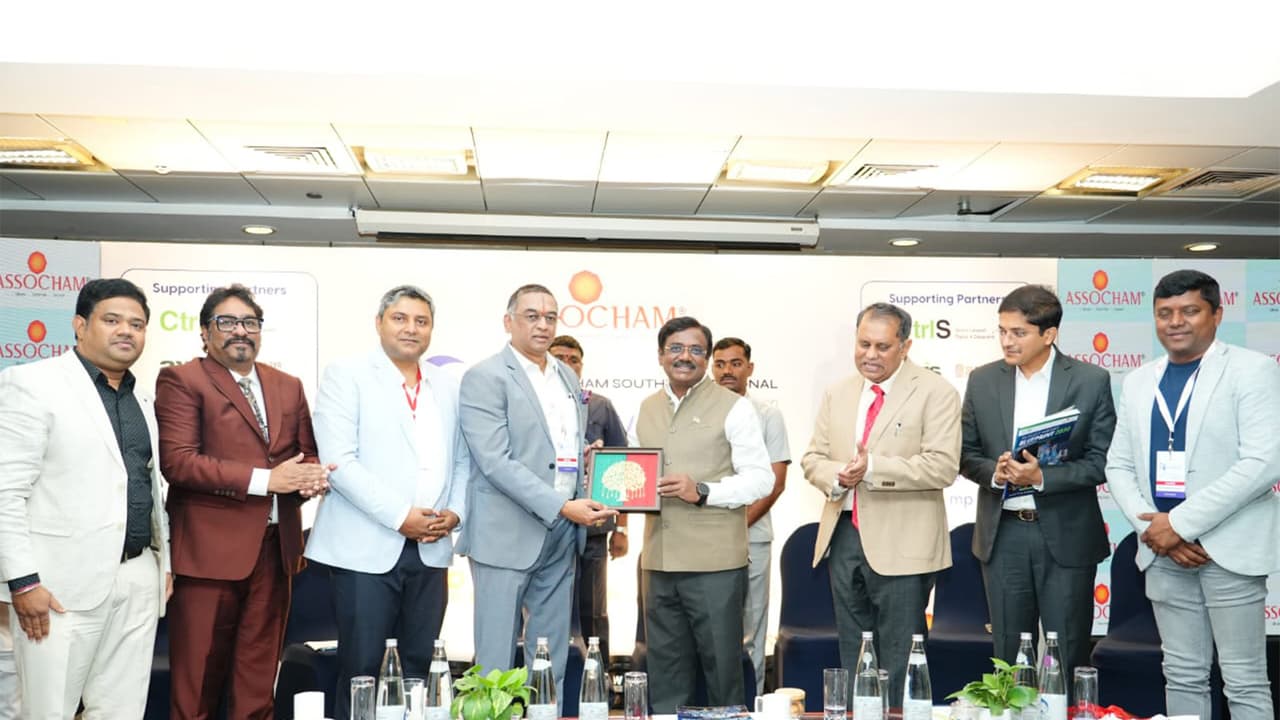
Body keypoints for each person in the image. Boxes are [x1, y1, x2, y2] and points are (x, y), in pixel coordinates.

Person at [1105, 269, 1279, 720]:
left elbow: (1262, 463)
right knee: (1181, 674)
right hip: (1163, 551)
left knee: (1243, 679)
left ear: (1217, 314)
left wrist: (1179, 524)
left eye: (1189, 311)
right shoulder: (1139, 380)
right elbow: (1118, 465)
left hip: (1228, 549)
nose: (1175, 322)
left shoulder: (1253, 370)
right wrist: (1155, 529)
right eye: (1164, 313)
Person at [155, 283, 329, 720]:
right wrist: (268, 480)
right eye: (227, 322)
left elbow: (306, 453)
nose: (240, 331)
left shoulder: (287, 385)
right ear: (204, 332)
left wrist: (309, 477)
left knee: (257, 686)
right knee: (196, 688)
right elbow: (179, 462)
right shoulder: (182, 380)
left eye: (250, 322)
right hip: (208, 556)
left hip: (276, 553)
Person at [0, 278, 171, 718]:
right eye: (112, 320)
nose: (126, 331)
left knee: (121, 710)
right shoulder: (32, 383)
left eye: (136, 324)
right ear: (80, 325)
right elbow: (6, 492)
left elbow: (147, 485)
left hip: (137, 578)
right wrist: (23, 582)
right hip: (57, 587)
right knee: (48, 710)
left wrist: (162, 565)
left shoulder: (142, 397)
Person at [307, 285, 470, 720]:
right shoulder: (346, 374)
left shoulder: (448, 385)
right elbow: (339, 462)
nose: (411, 328)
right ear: (379, 323)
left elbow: (462, 460)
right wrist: (401, 517)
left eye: (421, 321)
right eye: (400, 318)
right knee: (361, 667)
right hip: (364, 549)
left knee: (419, 666)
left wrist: (455, 513)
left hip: (431, 546)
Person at [458, 284, 616, 709]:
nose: (543, 325)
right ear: (508, 322)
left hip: (562, 531)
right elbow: (494, 461)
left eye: (550, 317)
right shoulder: (485, 377)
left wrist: (584, 464)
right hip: (506, 532)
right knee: (494, 659)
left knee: (549, 658)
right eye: (531, 316)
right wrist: (561, 505)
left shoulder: (566, 376)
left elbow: (558, 447)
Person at [801, 302, 960, 705]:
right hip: (843, 536)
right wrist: (838, 475)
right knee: (854, 651)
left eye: (882, 346)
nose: (870, 355)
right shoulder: (838, 392)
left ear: (905, 346)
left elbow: (942, 466)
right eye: (863, 344)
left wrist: (872, 468)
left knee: (900, 655)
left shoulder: (935, 391)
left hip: (904, 544)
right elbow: (813, 458)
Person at [959, 285, 1114, 687]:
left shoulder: (1090, 380)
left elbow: (1100, 462)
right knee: (1009, 656)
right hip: (1003, 535)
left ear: (1049, 334)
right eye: (1002, 331)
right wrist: (995, 474)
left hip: (1066, 536)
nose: (1007, 341)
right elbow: (965, 454)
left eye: (1019, 332)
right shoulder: (982, 380)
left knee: (1068, 651)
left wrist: (1041, 478)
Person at [635, 316, 772, 711]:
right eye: (676, 348)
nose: (685, 357)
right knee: (665, 675)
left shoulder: (735, 407)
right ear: (661, 355)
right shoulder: (647, 407)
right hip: (659, 562)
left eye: (696, 350)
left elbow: (761, 479)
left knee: (722, 675)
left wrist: (704, 491)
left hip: (715, 566)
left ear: (707, 358)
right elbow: (637, 472)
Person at [711, 336, 790, 696]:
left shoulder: (768, 414)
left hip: (752, 537)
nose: (727, 371)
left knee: (752, 630)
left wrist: (736, 526)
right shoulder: (700, 413)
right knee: (711, 629)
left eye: (735, 363)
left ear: (750, 368)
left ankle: (752, 703)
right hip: (703, 540)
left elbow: (775, 483)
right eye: (720, 364)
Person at [549, 334, 629, 666]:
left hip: (593, 528)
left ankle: (598, 679)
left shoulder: (600, 406)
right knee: (546, 608)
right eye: (560, 358)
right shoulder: (533, 403)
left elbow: (622, 467)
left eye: (574, 359)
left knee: (592, 610)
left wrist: (621, 528)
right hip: (545, 524)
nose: (567, 364)